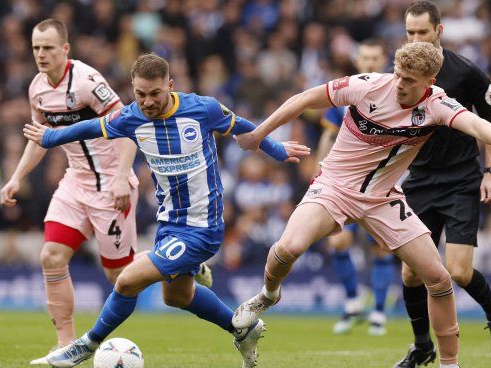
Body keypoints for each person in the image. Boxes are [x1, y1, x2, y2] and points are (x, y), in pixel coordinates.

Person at [231, 41, 491, 368]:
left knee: (439, 278)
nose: (400, 84)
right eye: (398, 75)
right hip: (335, 188)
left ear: (429, 83)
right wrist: (259, 135)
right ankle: (268, 294)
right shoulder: (367, 86)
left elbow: (473, 123)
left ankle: (449, 364)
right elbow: (303, 100)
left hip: (383, 199)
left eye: (409, 80)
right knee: (289, 247)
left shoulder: (437, 104)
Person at [23, 52, 311, 368]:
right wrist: (52, 136)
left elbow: (244, 128)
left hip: (203, 227)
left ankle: (85, 346)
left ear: (170, 86)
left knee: (127, 280)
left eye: (155, 93)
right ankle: (242, 330)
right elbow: (92, 127)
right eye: (140, 94)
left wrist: (276, 148)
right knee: (176, 297)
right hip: (170, 223)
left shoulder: (202, 109)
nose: (147, 101)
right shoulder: (132, 117)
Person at [0, 19, 140, 364]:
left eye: (48, 47)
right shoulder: (36, 89)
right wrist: (17, 176)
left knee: (120, 278)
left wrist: (122, 177)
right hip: (75, 182)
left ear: (65, 49)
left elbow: (128, 127)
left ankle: (178, 270)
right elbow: (41, 137)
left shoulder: (89, 82)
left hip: (112, 186)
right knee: (51, 256)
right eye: (35, 48)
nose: (41, 54)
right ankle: (66, 343)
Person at [395, 2, 491, 366]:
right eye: (410, 33)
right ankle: (422, 346)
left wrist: (490, 172)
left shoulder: (467, 73)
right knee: (411, 273)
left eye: (423, 33)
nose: (416, 40)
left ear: (439, 32)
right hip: (420, 182)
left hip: (461, 180)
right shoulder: (401, 71)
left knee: (458, 271)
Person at [317, 40, 396, 336]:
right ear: (358, 61)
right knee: (337, 242)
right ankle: (353, 302)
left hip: (382, 182)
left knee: (381, 247)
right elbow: (328, 136)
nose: (370, 63)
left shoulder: (395, 94)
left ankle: (377, 311)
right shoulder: (346, 95)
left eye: (375, 58)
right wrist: (319, 169)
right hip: (346, 183)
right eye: (364, 58)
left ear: (383, 60)